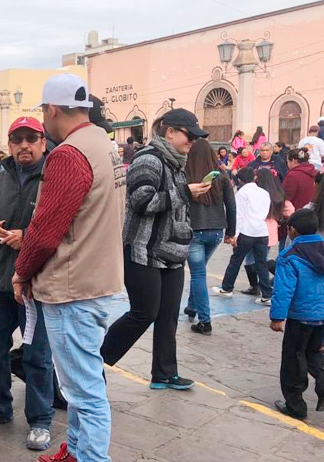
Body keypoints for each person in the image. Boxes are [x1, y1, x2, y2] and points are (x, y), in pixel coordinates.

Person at [12, 74, 126, 462]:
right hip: (99, 279)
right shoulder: (105, 145)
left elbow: (45, 230)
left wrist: (22, 271)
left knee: (84, 392)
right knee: (81, 382)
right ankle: (76, 451)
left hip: (72, 285)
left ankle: (91, 457)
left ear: (52, 109)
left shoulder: (68, 154)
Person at [101, 108, 211, 394]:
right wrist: (186, 193)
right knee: (143, 312)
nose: (193, 141)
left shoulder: (177, 162)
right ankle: (93, 363)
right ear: (170, 131)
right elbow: (140, 201)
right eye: (190, 135)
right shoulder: (148, 158)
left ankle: (164, 373)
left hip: (172, 253)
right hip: (142, 250)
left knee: (168, 315)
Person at [0, 116, 55, 451]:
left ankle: (41, 420)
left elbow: (65, 227)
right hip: (0, 282)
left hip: (36, 286)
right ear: (9, 144)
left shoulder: (53, 180)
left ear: (43, 142)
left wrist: (27, 237)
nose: (24, 146)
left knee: (37, 355)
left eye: (31, 139)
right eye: (17, 139)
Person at [269, 209, 324, 419]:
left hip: (300, 317)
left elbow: (283, 290)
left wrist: (277, 317)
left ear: (292, 230)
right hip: (321, 317)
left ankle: (295, 406)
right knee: (315, 354)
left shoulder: (289, 256)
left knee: (293, 359)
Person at [182, 139, 236, 335]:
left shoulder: (186, 175)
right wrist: (231, 231)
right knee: (200, 270)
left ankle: (205, 320)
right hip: (216, 230)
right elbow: (231, 205)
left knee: (198, 274)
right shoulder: (221, 176)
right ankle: (192, 307)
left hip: (195, 230)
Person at [212, 167, 273, 304]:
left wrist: (234, 234)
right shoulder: (264, 193)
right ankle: (267, 295)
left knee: (236, 260)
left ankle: (227, 288)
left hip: (246, 232)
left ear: (239, 179)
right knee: (261, 263)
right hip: (262, 231)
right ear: (254, 177)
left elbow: (238, 215)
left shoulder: (242, 193)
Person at [284, 148, 318, 213]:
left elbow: (286, 196)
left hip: (295, 212)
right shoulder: (315, 172)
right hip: (312, 212)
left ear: (293, 161)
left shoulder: (292, 175)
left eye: (288, 161)